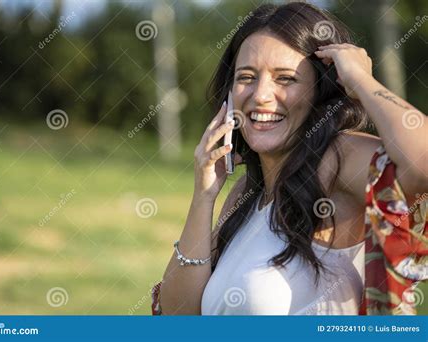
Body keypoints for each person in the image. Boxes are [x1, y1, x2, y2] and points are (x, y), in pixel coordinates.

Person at [152, 2, 427, 315]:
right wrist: (203, 196)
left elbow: (423, 164)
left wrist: (361, 80)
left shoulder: (338, 161)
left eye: (285, 79)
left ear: (320, 91)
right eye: (246, 77)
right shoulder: (245, 194)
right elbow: (180, 316)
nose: (260, 95)